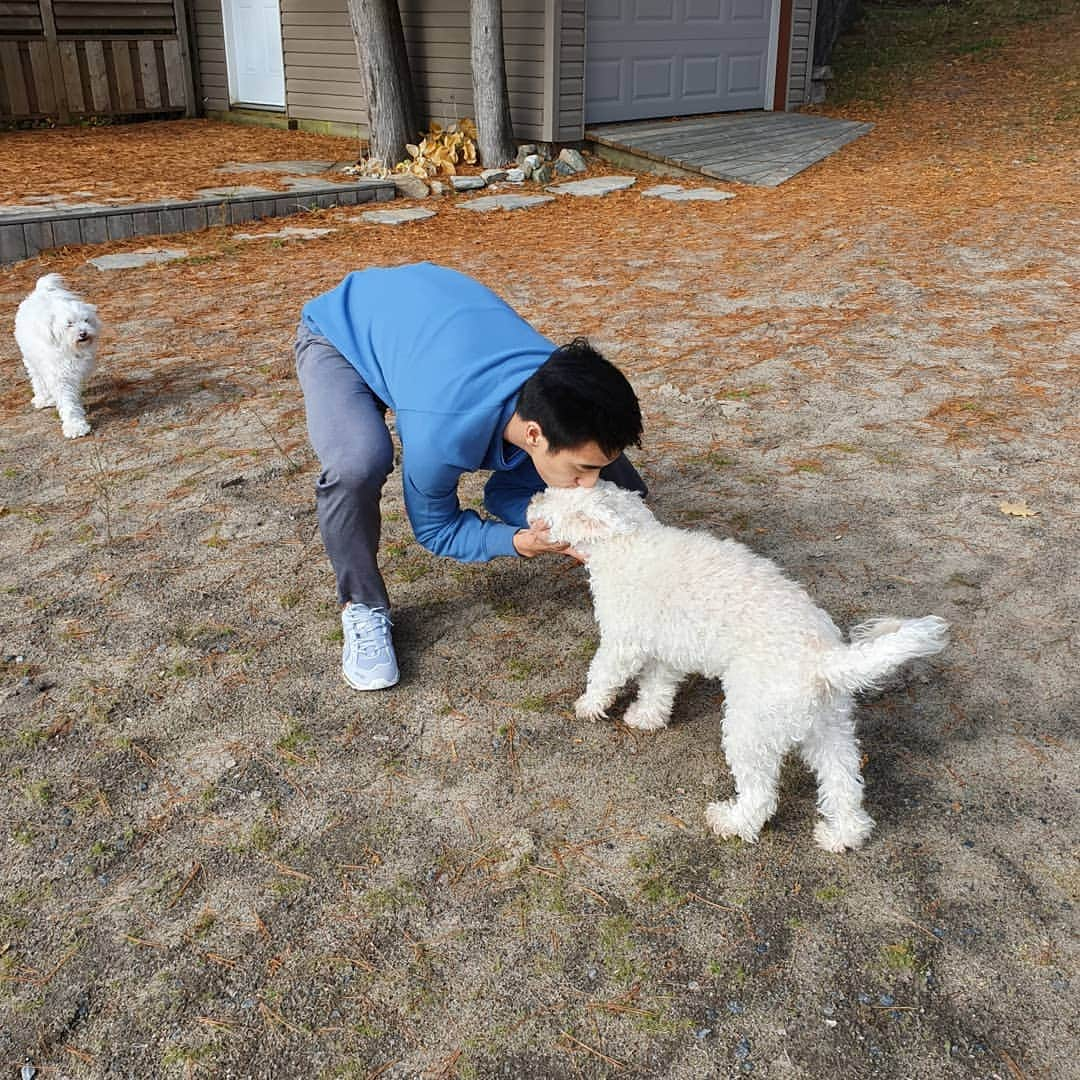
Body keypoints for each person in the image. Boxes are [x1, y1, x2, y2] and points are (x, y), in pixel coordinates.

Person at [295, 262, 646, 691]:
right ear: (533, 435)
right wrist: (520, 542)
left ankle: (544, 499)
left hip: (426, 318)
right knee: (358, 462)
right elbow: (436, 529)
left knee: (624, 496)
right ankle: (362, 604)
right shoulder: (440, 431)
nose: (590, 480)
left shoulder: (559, 386)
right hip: (343, 333)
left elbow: (602, 483)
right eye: (584, 468)